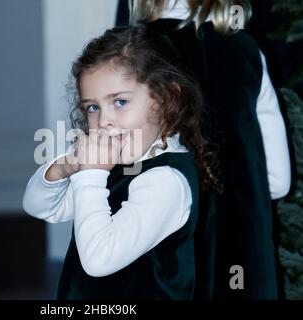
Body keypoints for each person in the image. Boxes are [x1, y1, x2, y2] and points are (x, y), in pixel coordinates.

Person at [23, 24, 223, 299]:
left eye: (119, 102)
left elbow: (99, 260)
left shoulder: (165, 180)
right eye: (92, 107)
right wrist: (63, 168)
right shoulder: (116, 165)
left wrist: (90, 175)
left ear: (167, 98)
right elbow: (40, 207)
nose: (103, 120)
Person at [118, 0, 292, 299]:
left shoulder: (127, 57)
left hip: (167, 260)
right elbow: (278, 182)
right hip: (242, 258)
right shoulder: (248, 52)